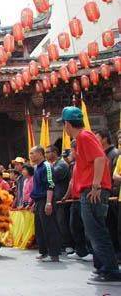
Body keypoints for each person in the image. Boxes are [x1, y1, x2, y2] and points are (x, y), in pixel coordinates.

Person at [59, 106, 121, 284]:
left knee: (97, 232)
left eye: (64, 124)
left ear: (67, 124)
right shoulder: (81, 139)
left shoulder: (85, 136)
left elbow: (101, 158)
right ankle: (103, 268)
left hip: (92, 191)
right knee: (94, 231)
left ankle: (110, 270)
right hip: (88, 191)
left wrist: (95, 185)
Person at [29, 146, 61, 262]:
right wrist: (34, 203)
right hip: (38, 201)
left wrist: (48, 203)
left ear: (40, 154)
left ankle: (54, 253)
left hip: (46, 199)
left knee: (50, 227)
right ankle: (43, 251)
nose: (31, 156)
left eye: (32, 153)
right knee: (40, 228)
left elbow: (50, 185)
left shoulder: (47, 166)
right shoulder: (36, 167)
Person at [63, 140, 93, 262]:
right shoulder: (74, 165)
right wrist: (66, 195)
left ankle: (90, 251)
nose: (70, 153)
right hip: (75, 199)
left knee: (87, 226)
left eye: (71, 150)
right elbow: (71, 182)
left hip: (83, 198)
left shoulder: (85, 162)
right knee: (74, 226)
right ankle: (80, 250)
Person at [95, 130, 120, 257]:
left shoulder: (114, 153)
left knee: (114, 225)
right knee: (108, 225)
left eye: (97, 137)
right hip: (106, 193)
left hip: (113, 194)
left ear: (104, 139)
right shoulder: (102, 154)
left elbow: (114, 175)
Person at [45, 145, 74, 255]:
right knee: (57, 222)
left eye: (48, 152)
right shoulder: (53, 165)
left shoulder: (61, 164)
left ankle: (68, 245)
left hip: (61, 198)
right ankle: (62, 244)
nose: (46, 154)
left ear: (55, 152)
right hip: (55, 198)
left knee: (62, 222)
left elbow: (51, 176)